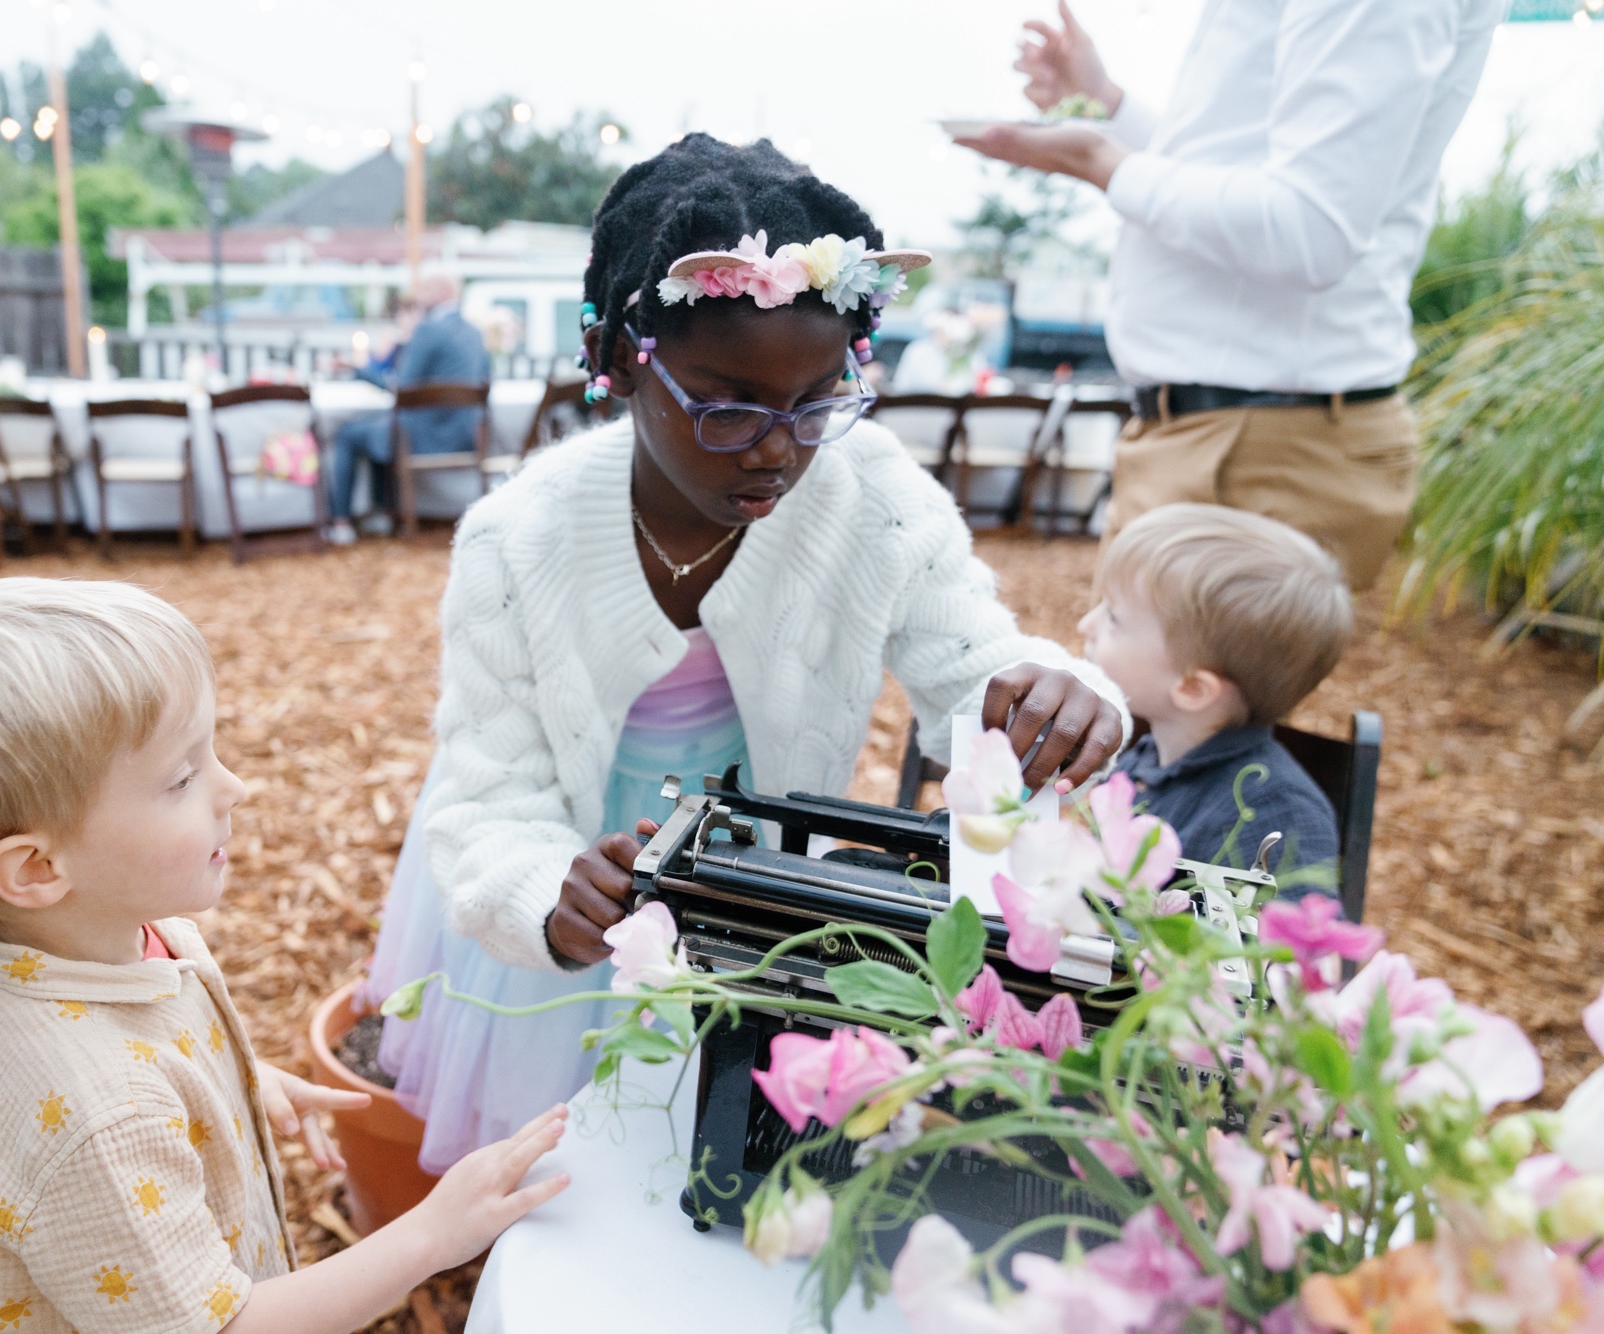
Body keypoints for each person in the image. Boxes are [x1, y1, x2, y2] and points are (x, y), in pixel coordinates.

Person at [365, 135, 1129, 1174]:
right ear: (623, 368)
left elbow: (974, 669)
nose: (778, 446)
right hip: (571, 867)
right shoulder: (518, 540)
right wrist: (550, 891)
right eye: (727, 408)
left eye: (816, 402)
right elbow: (488, 792)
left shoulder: (869, 495)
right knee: (558, 1162)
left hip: (751, 884)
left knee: (713, 1142)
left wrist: (1058, 693)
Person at [0, 578, 569, 1334]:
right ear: (36, 870)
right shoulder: (102, 1120)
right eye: (181, 777)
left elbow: (124, 1055)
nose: (233, 787)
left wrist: (233, 1080)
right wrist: (433, 1233)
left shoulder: (46, 943)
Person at [956, 0, 1503, 591]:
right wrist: (1107, 105)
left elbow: (1309, 230)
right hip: (1238, 434)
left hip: (1255, 447)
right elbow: (1243, 163)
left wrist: (1103, 162)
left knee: (1147, 684)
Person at [1079, 503, 1351, 885]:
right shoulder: (1147, 758)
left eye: (1114, 617)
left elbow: (1297, 943)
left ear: (1192, 688)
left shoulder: (1277, 818)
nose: (1085, 624)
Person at [327, 273, 490, 545]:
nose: (417, 295)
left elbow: (401, 387)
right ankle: (383, 512)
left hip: (421, 438)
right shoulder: (473, 332)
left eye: (424, 288)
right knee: (376, 426)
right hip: (466, 434)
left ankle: (341, 521)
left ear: (441, 292)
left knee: (348, 433)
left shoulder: (428, 330)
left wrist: (357, 370)